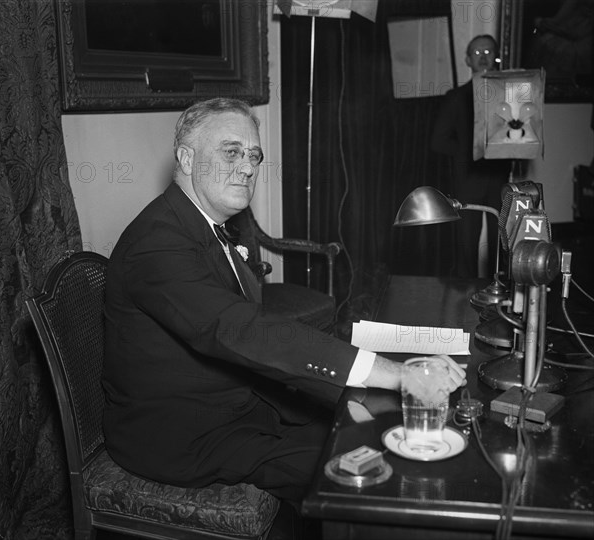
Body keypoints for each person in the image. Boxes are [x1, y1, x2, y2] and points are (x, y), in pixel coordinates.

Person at [102, 98, 466, 505]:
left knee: (374, 425)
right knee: (369, 475)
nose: (248, 167)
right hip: (183, 435)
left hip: (240, 404)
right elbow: (242, 330)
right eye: (231, 152)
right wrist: (395, 376)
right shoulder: (156, 244)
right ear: (187, 158)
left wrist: (352, 393)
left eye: (254, 156)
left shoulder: (203, 224)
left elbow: (257, 340)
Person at [431, 34, 512, 278]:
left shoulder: (509, 96)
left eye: (488, 52)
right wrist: (471, 148)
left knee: (501, 242)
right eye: (477, 53)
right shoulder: (456, 98)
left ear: (496, 57)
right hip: (468, 180)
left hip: (498, 179)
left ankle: (498, 295)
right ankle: (464, 298)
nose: (484, 57)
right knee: (467, 243)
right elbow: (437, 141)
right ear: (468, 59)